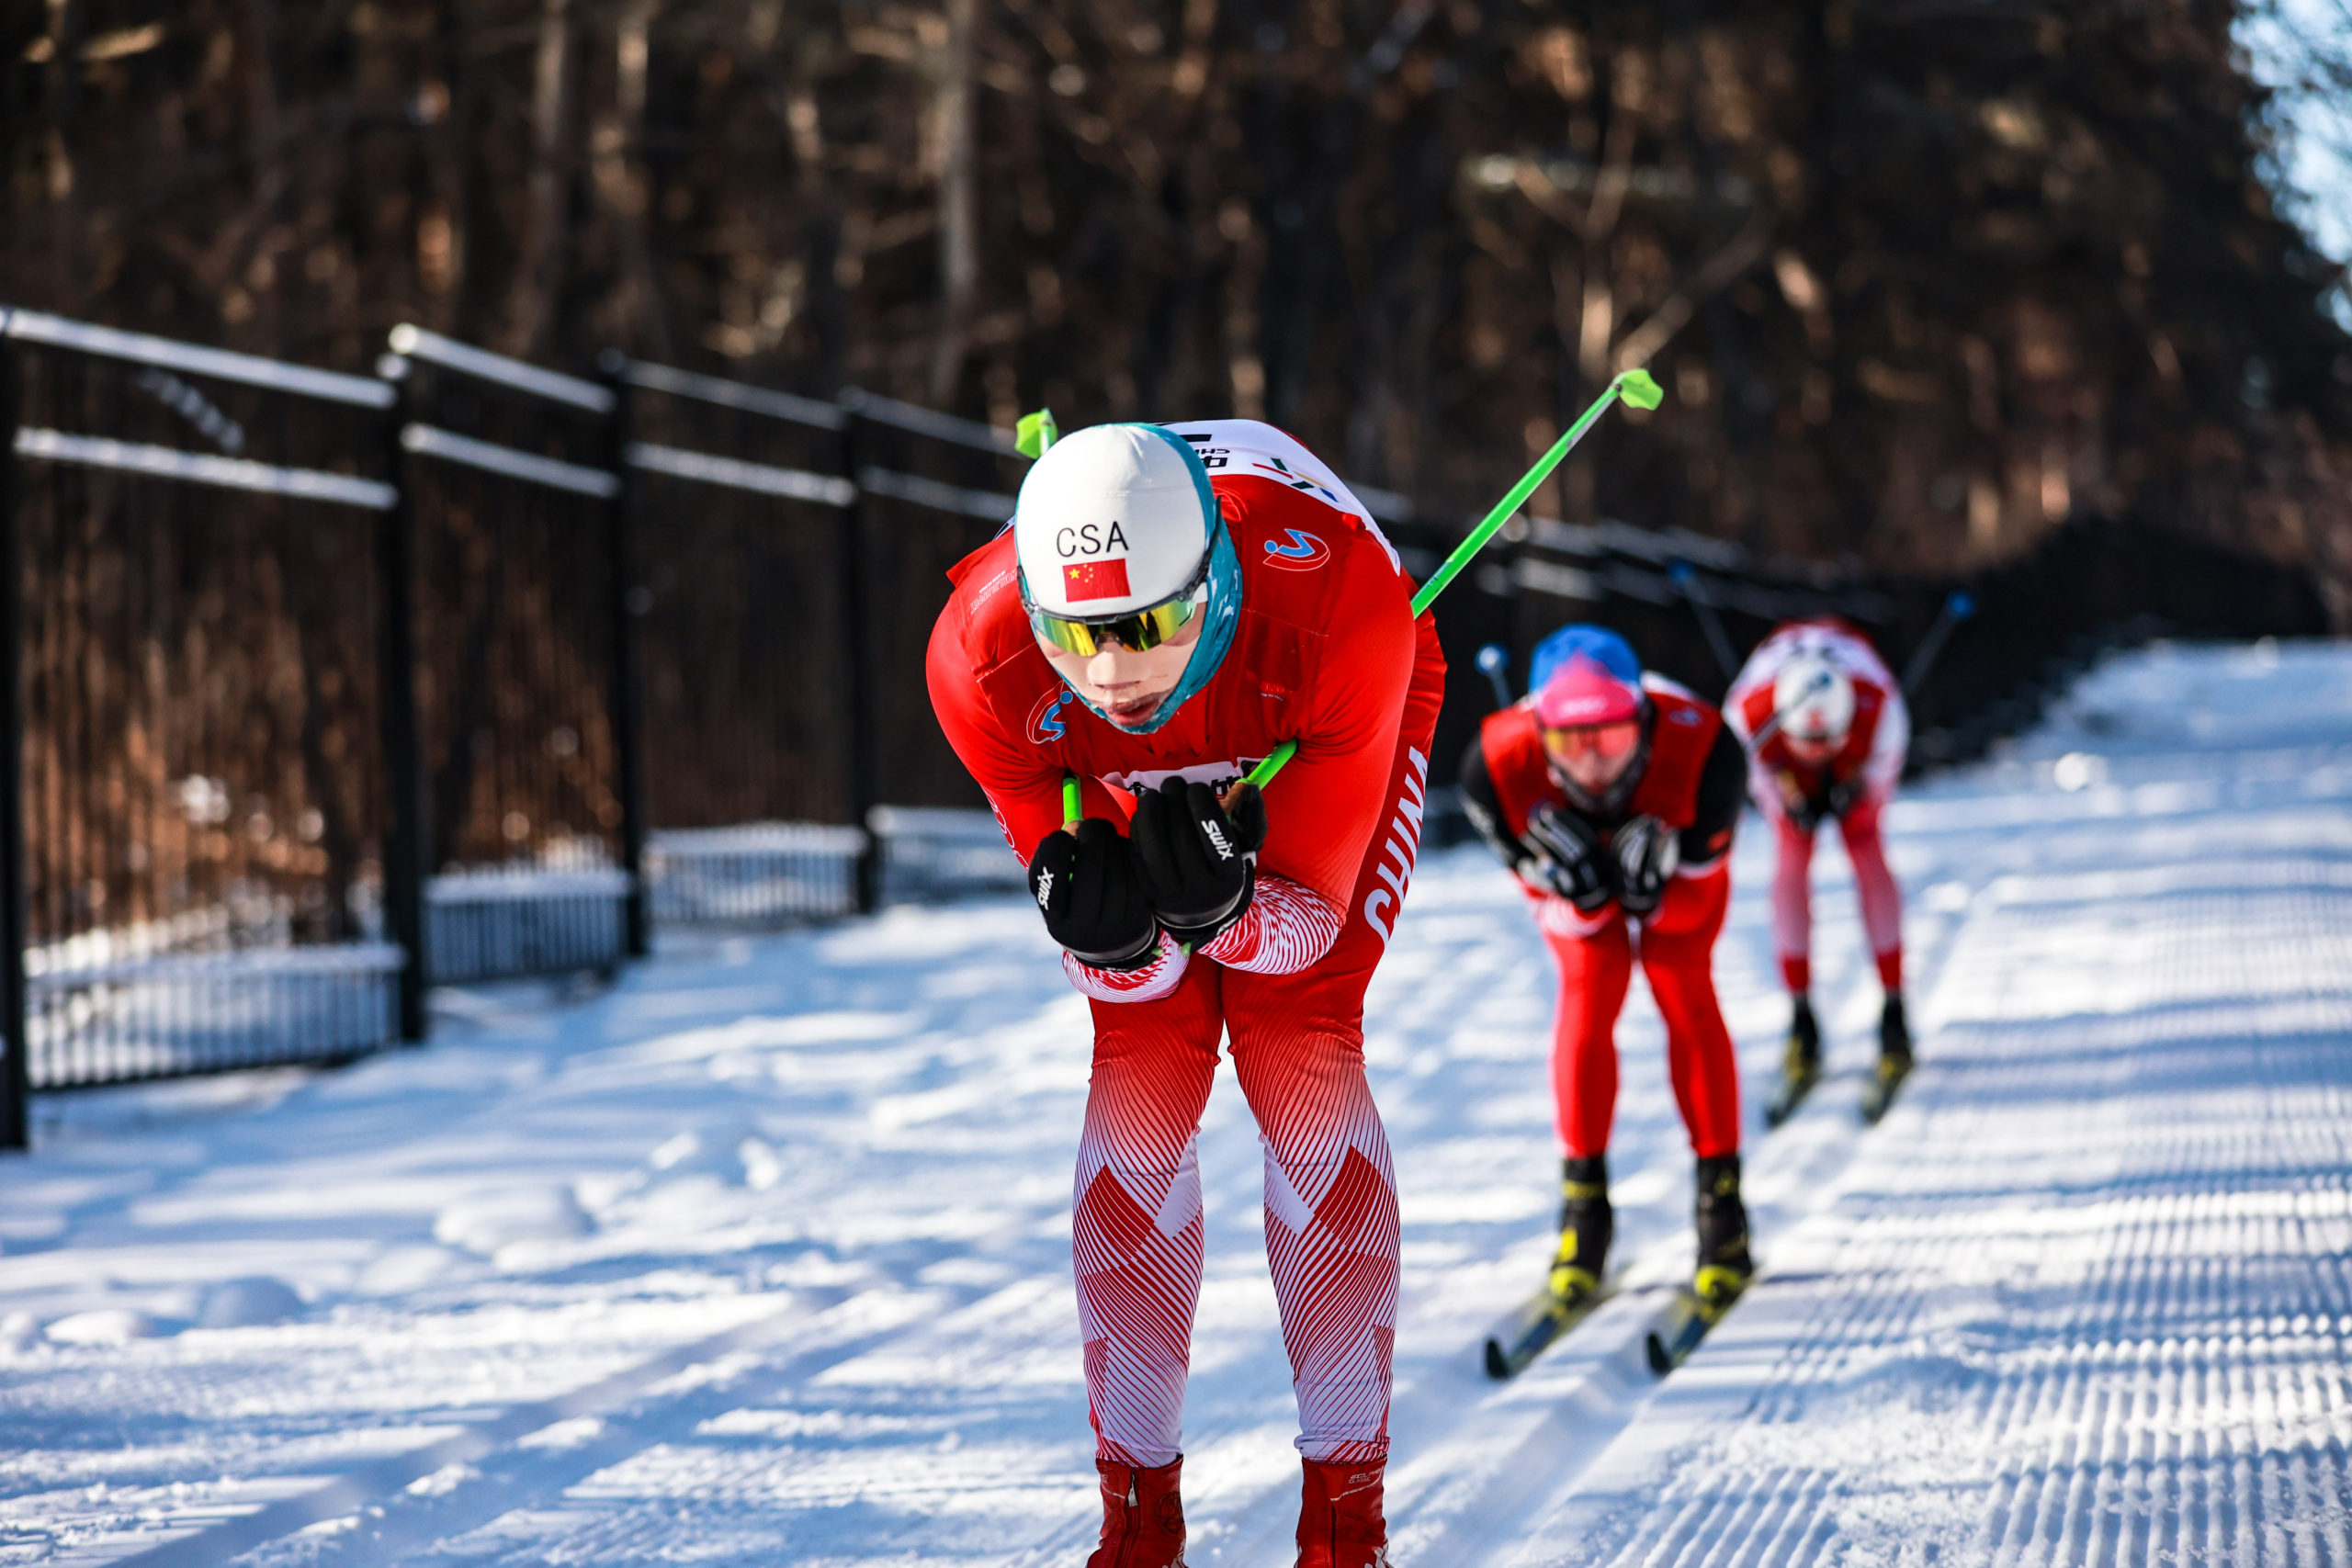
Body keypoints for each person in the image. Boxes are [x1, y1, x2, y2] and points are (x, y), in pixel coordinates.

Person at [928, 418, 1445, 1568]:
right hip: (1120, 767)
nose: (1113, 673)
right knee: (1144, 1060)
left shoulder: (1343, 610)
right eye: (1077, 634)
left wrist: (1228, 914)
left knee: (1294, 1039)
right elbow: (1123, 958)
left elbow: (1303, 930)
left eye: (1146, 627)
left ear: (1204, 582)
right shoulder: (982, 659)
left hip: (1301, 708)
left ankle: (1345, 1525)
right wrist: (1119, 947)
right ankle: (1134, 1523)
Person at [1457, 626, 1752, 1310]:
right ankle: (1584, 1210)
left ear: (1644, 721)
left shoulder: (1709, 751)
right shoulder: (1496, 766)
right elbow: (1552, 915)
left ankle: (1722, 1209)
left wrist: (1655, 896)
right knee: (1590, 989)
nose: (1593, 764)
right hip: (1576, 892)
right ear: (1540, 730)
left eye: (1612, 738)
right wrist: (1588, 905)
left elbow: (1695, 909)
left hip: (1677, 874)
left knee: (1683, 986)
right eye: (1571, 742)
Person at [1723, 619, 1911, 1106]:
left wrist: (1856, 790)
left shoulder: (1882, 709)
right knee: (1790, 855)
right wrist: (1787, 796)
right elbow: (1760, 783)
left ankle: (1894, 1012)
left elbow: (1878, 790)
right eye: (1808, 745)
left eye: (1826, 743)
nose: (1817, 755)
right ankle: (1800, 1018)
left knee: (1865, 846)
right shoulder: (1746, 718)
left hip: (1858, 751)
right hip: (1779, 756)